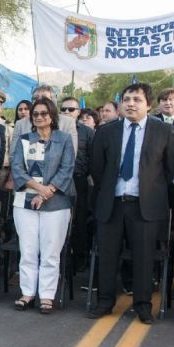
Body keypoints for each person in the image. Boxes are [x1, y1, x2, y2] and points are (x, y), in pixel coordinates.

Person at [89, 83, 174, 324]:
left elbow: (170, 169)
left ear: (148, 104)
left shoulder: (163, 131)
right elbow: (97, 168)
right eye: (126, 99)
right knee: (108, 255)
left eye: (137, 99)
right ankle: (105, 302)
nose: (130, 104)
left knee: (143, 258)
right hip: (112, 204)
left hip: (144, 206)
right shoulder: (107, 131)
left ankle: (143, 305)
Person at [10, 98, 76, 314]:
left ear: (52, 116)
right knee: (28, 250)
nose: (39, 117)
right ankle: (27, 293)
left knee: (50, 252)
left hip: (55, 203)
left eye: (43, 114)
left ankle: (47, 295)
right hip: (25, 202)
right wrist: (38, 189)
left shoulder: (64, 139)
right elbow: (17, 169)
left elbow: (67, 169)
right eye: (35, 114)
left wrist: (47, 192)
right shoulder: (23, 139)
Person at [60, 96, 95, 271]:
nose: (66, 112)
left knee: (79, 221)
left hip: (79, 180)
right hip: (57, 182)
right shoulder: (54, 129)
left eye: (71, 109)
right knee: (59, 221)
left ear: (78, 112)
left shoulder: (88, 132)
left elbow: (93, 158)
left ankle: (79, 261)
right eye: (63, 109)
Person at [12, 85, 78, 156]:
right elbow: (14, 155)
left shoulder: (67, 123)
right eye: (35, 98)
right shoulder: (20, 124)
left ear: (53, 101)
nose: (39, 101)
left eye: (44, 98)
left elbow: (70, 155)